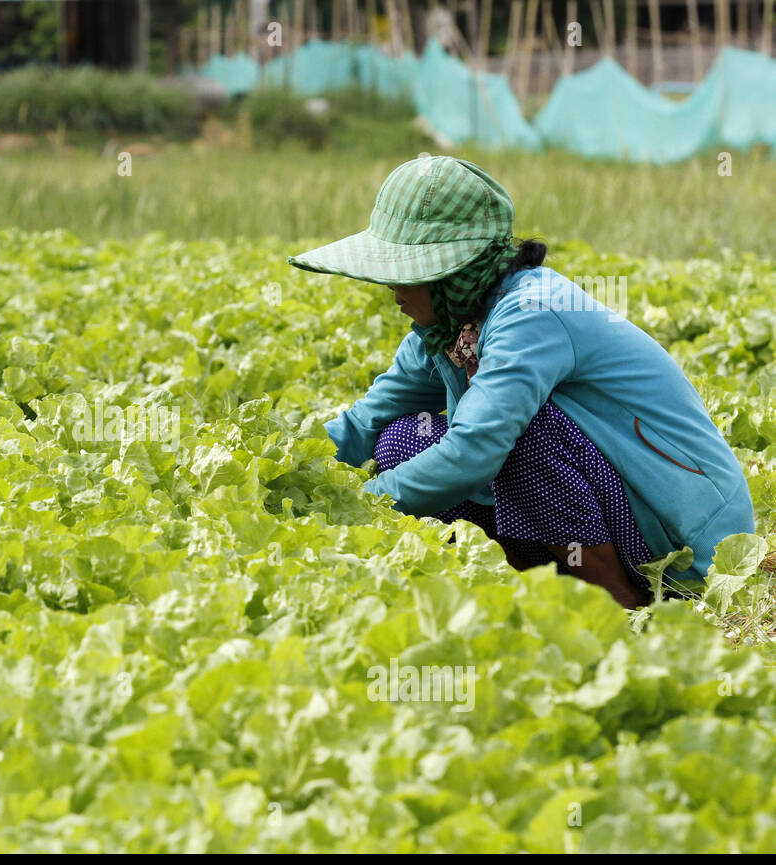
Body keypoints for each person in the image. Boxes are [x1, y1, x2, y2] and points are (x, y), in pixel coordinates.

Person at [287, 155, 755, 609]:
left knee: (515, 435)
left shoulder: (532, 310)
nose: (392, 291)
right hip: (607, 515)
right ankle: (545, 590)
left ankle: (621, 605)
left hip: (679, 537)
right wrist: (286, 474)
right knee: (400, 442)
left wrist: (364, 501)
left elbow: (476, 449)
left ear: (450, 273)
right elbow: (367, 422)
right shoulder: (448, 329)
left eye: (401, 273)